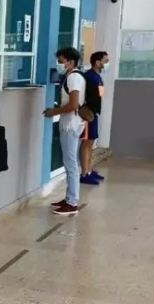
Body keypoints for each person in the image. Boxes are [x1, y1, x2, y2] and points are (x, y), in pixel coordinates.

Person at [44, 47, 84, 216]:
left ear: (71, 61)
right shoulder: (73, 76)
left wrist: (53, 112)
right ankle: (69, 198)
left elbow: (73, 105)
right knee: (70, 163)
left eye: (61, 61)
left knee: (71, 164)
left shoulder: (74, 78)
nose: (59, 64)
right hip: (72, 124)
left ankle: (72, 202)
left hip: (70, 125)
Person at [81, 51, 109, 184]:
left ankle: (89, 170)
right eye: (105, 61)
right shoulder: (89, 77)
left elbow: (100, 95)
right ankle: (84, 173)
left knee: (91, 142)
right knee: (86, 142)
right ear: (97, 62)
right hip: (88, 114)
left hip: (95, 114)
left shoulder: (98, 77)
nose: (106, 64)